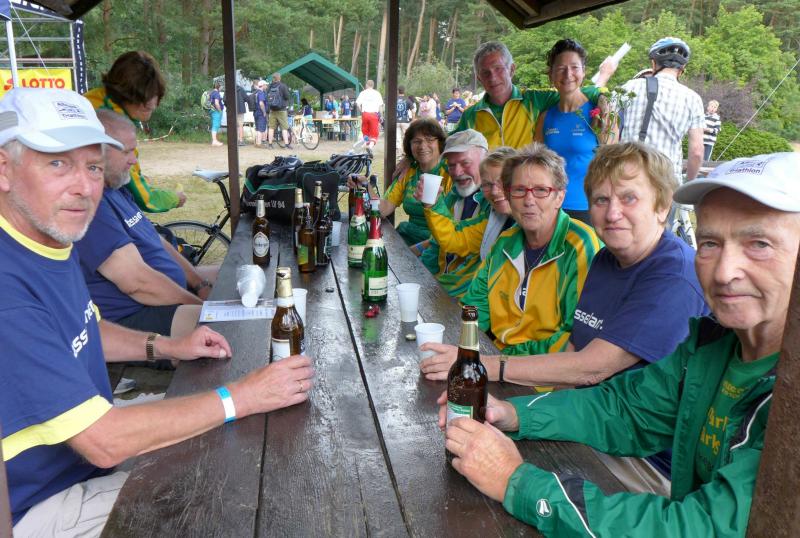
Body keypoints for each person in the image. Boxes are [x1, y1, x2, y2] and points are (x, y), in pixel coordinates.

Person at [0, 88, 315, 536]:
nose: (84, 187)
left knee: (232, 445)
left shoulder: (47, 238)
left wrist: (167, 346)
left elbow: (85, 330)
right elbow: (105, 441)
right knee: (224, 491)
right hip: (40, 502)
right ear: (4, 169)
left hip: (81, 461)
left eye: (93, 166)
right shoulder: (9, 286)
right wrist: (243, 396)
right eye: (57, 164)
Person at [438, 151, 800, 536]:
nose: (725, 272)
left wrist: (517, 481)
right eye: (710, 242)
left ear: (662, 209)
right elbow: (624, 408)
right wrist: (513, 414)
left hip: (655, 480)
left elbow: (700, 527)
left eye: (759, 244)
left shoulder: (788, 398)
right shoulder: (714, 343)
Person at [75, 110, 217, 341]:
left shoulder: (117, 190)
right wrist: (202, 306)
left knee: (236, 276)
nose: (134, 160)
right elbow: (137, 283)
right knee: (225, 327)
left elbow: (157, 241)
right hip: (133, 315)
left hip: (169, 294)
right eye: (126, 151)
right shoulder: (93, 205)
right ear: (97, 152)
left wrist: (199, 283)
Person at [452, 143, 601, 356]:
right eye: (519, 190)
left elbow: (576, 335)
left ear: (559, 197)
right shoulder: (505, 243)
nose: (529, 200)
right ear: (509, 195)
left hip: (545, 369)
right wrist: (463, 350)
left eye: (541, 190)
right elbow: (474, 307)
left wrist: (505, 360)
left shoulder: (579, 245)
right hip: (495, 356)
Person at [452, 41, 613, 150]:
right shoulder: (470, 116)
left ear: (512, 69)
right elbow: (449, 148)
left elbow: (572, 90)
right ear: (479, 78)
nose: (492, 77)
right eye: (485, 73)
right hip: (488, 190)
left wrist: (600, 93)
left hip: (527, 189)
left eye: (498, 69)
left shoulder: (535, 100)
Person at [84, 50, 186, 213]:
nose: (154, 105)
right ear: (128, 95)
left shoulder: (97, 98)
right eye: (147, 100)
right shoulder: (113, 124)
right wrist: (174, 198)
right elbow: (146, 199)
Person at [534, 39, 615, 224]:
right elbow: (538, 164)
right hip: (551, 209)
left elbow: (613, 163)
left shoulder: (600, 113)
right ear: (551, 74)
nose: (568, 74)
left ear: (583, 72)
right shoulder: (545, 117)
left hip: (590, 208)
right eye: (561, 68)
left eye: (574, 67)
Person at [352, 118, 451, 248]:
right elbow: (384, 208)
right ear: (409, 146)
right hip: (407, 237)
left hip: (436, 245)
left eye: (430, 140)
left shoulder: (450, 172)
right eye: (417, 141)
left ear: (440, 143)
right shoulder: (408, 172)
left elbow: (453, 229)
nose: (422, 146)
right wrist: (366, 185)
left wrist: (413, 251)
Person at [620, 37, 705, 182]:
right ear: (682, 69)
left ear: (653, 64)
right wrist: (688, 182)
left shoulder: (629, 87)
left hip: (628, 176)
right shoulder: (693, 99)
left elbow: (609, 134)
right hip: (667, 181)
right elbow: (697, 152)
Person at [419, 129, 492, 298]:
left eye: (465, 163)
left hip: (467, 301)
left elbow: (456, 241)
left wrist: (432, 206)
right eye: (451, 165)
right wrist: (420, 277)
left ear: (486, 161)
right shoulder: (453, 196)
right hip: (441, 289)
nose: (457, 172)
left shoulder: (495, 204)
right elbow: (435, 246)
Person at [415, 146, 516, 262]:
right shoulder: (493, 220)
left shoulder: (531, 225)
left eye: (503, 182)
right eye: (487, 184)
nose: (494, 191)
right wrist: (431, 204)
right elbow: (454, 238)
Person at [355, 79, 383, 149]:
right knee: (374, 132)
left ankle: (365, 143)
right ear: (373, 85)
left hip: (365, 114)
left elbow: (358, 104)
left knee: (365, 130)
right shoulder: (377, 93)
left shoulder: (362, 93)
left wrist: (361, 111)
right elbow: (380, 106)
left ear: (366, 85)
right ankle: (370, 146)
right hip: (374, 114)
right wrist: (381, 116)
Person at [267, 72, 292, 149]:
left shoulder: (270, 86)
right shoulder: (283, 86)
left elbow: (267, 96)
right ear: (279, 78)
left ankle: (270, 145)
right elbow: (287, 97)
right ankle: (286, 144)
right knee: (284, 128)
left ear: (273, 78)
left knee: (271, 128)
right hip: (282, 110)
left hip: (272, 110)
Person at [395, 86, 414, 156]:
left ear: (398, 91)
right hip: (405, 121)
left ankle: (399, 153)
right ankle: (405, 151)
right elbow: (413, 111)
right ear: (404, 91)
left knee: (398, 137)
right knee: (405, 137)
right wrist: (413, 120)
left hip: (396, 121)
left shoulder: (394, 99)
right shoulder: (408, 100)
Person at [208, 82, 224, 147]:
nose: (222, 88)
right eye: (221, 87)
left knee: (215, 125)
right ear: (219, 87)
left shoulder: (211, 93)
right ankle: (214, 141)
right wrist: (220, 111)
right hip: (216, 111)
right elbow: (216, 103)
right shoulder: (217, 93)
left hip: (212, 111)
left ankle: (215, 140)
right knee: (215, 125)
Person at [253, 80, 268, 148]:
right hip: (260, 112)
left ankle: (256, 142)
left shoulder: (256, 92)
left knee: (257, 128)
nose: (266, 86)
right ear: (263, 85)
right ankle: (259, 143)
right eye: (265, 85)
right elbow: (261, 103)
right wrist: (264, 112)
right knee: (260, 129)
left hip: (255, 112)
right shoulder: (261, 93)